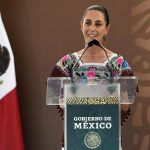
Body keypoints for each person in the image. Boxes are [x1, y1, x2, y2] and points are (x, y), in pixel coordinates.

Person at [50, 4, 137, 149]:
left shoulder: (119, 63)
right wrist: (64, 100)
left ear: (107, 28)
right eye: (88, 23)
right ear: (81, 25)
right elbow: (59, 101)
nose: (92, 29)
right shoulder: (67, 63)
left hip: (108, 139)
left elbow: (125, 107)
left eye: (98, 24)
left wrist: (111, 97)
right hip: (74, 139)